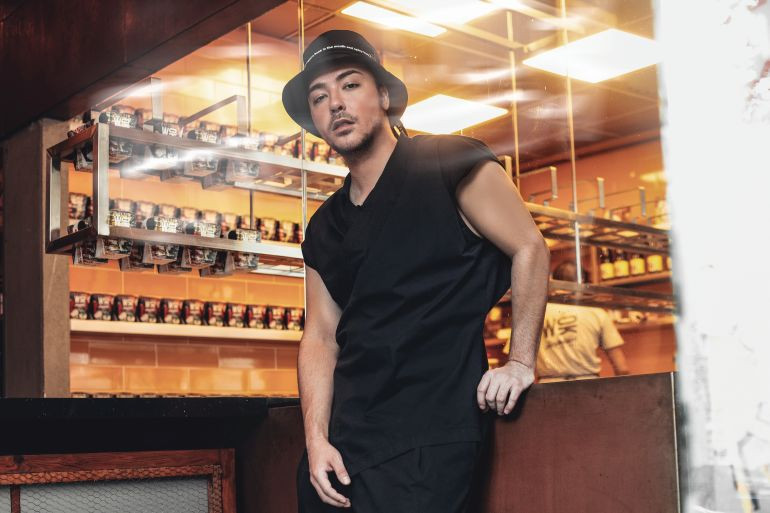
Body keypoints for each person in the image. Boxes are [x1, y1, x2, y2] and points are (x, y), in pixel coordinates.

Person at [282, 29, 550, 512]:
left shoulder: (449, 162)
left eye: (350, 85)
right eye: (319, 97)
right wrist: (315, 439)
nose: (335, 103)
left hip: (430, 438)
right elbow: (320, 336)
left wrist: (520, 361)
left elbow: (529, 247)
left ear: (384, 96)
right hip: (340, 451)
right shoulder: (325, 226)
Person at [503, 260, 630, 383]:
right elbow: (621, 368)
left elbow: (512, 361)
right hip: (589, 385)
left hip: (548, 387)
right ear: (582, 282)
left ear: (553, 281)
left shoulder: (534, 313)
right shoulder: (595, 312)